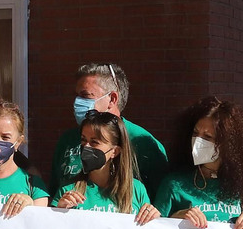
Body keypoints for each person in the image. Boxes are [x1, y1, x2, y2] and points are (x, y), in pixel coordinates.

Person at [154, 96, 243, 229]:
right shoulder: (174, 184)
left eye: (207, 137)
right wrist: (175, 217)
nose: (197, 141)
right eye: (195, 133)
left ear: (228, 145)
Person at [51, 63, 168, 192]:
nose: (77, 102)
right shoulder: (68, 139)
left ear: (112, 99)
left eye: (85, 96)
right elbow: (54, 192)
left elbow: (159, 203)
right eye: (77, 96)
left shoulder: (143, 142)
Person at [53, 110, 161, 224]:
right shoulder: (69, 190)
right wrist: (59, 211)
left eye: (94, 142)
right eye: (83, 140)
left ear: (115, 151)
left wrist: (153, 217)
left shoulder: (136, 189)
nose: (86, 147)